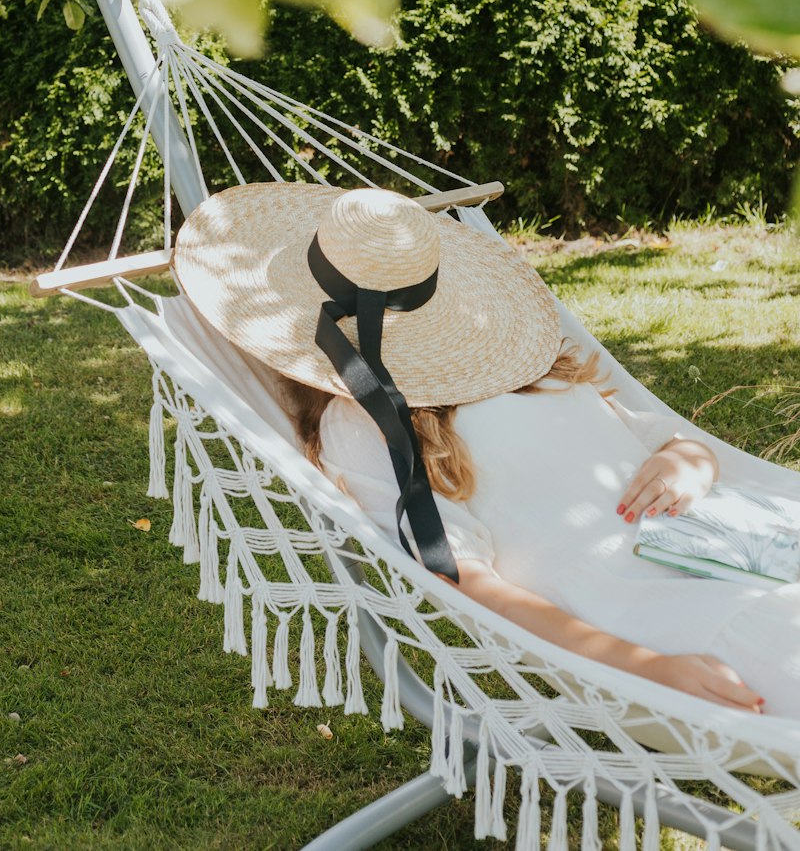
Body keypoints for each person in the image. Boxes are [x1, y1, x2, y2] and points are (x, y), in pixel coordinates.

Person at [173, 180, 800, 718]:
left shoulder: (529, 362)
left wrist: (685, 463)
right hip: (668, 614)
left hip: (752, 544)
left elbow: (670, 438)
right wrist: (643, 667)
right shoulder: (368, 423)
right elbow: (468, 582)